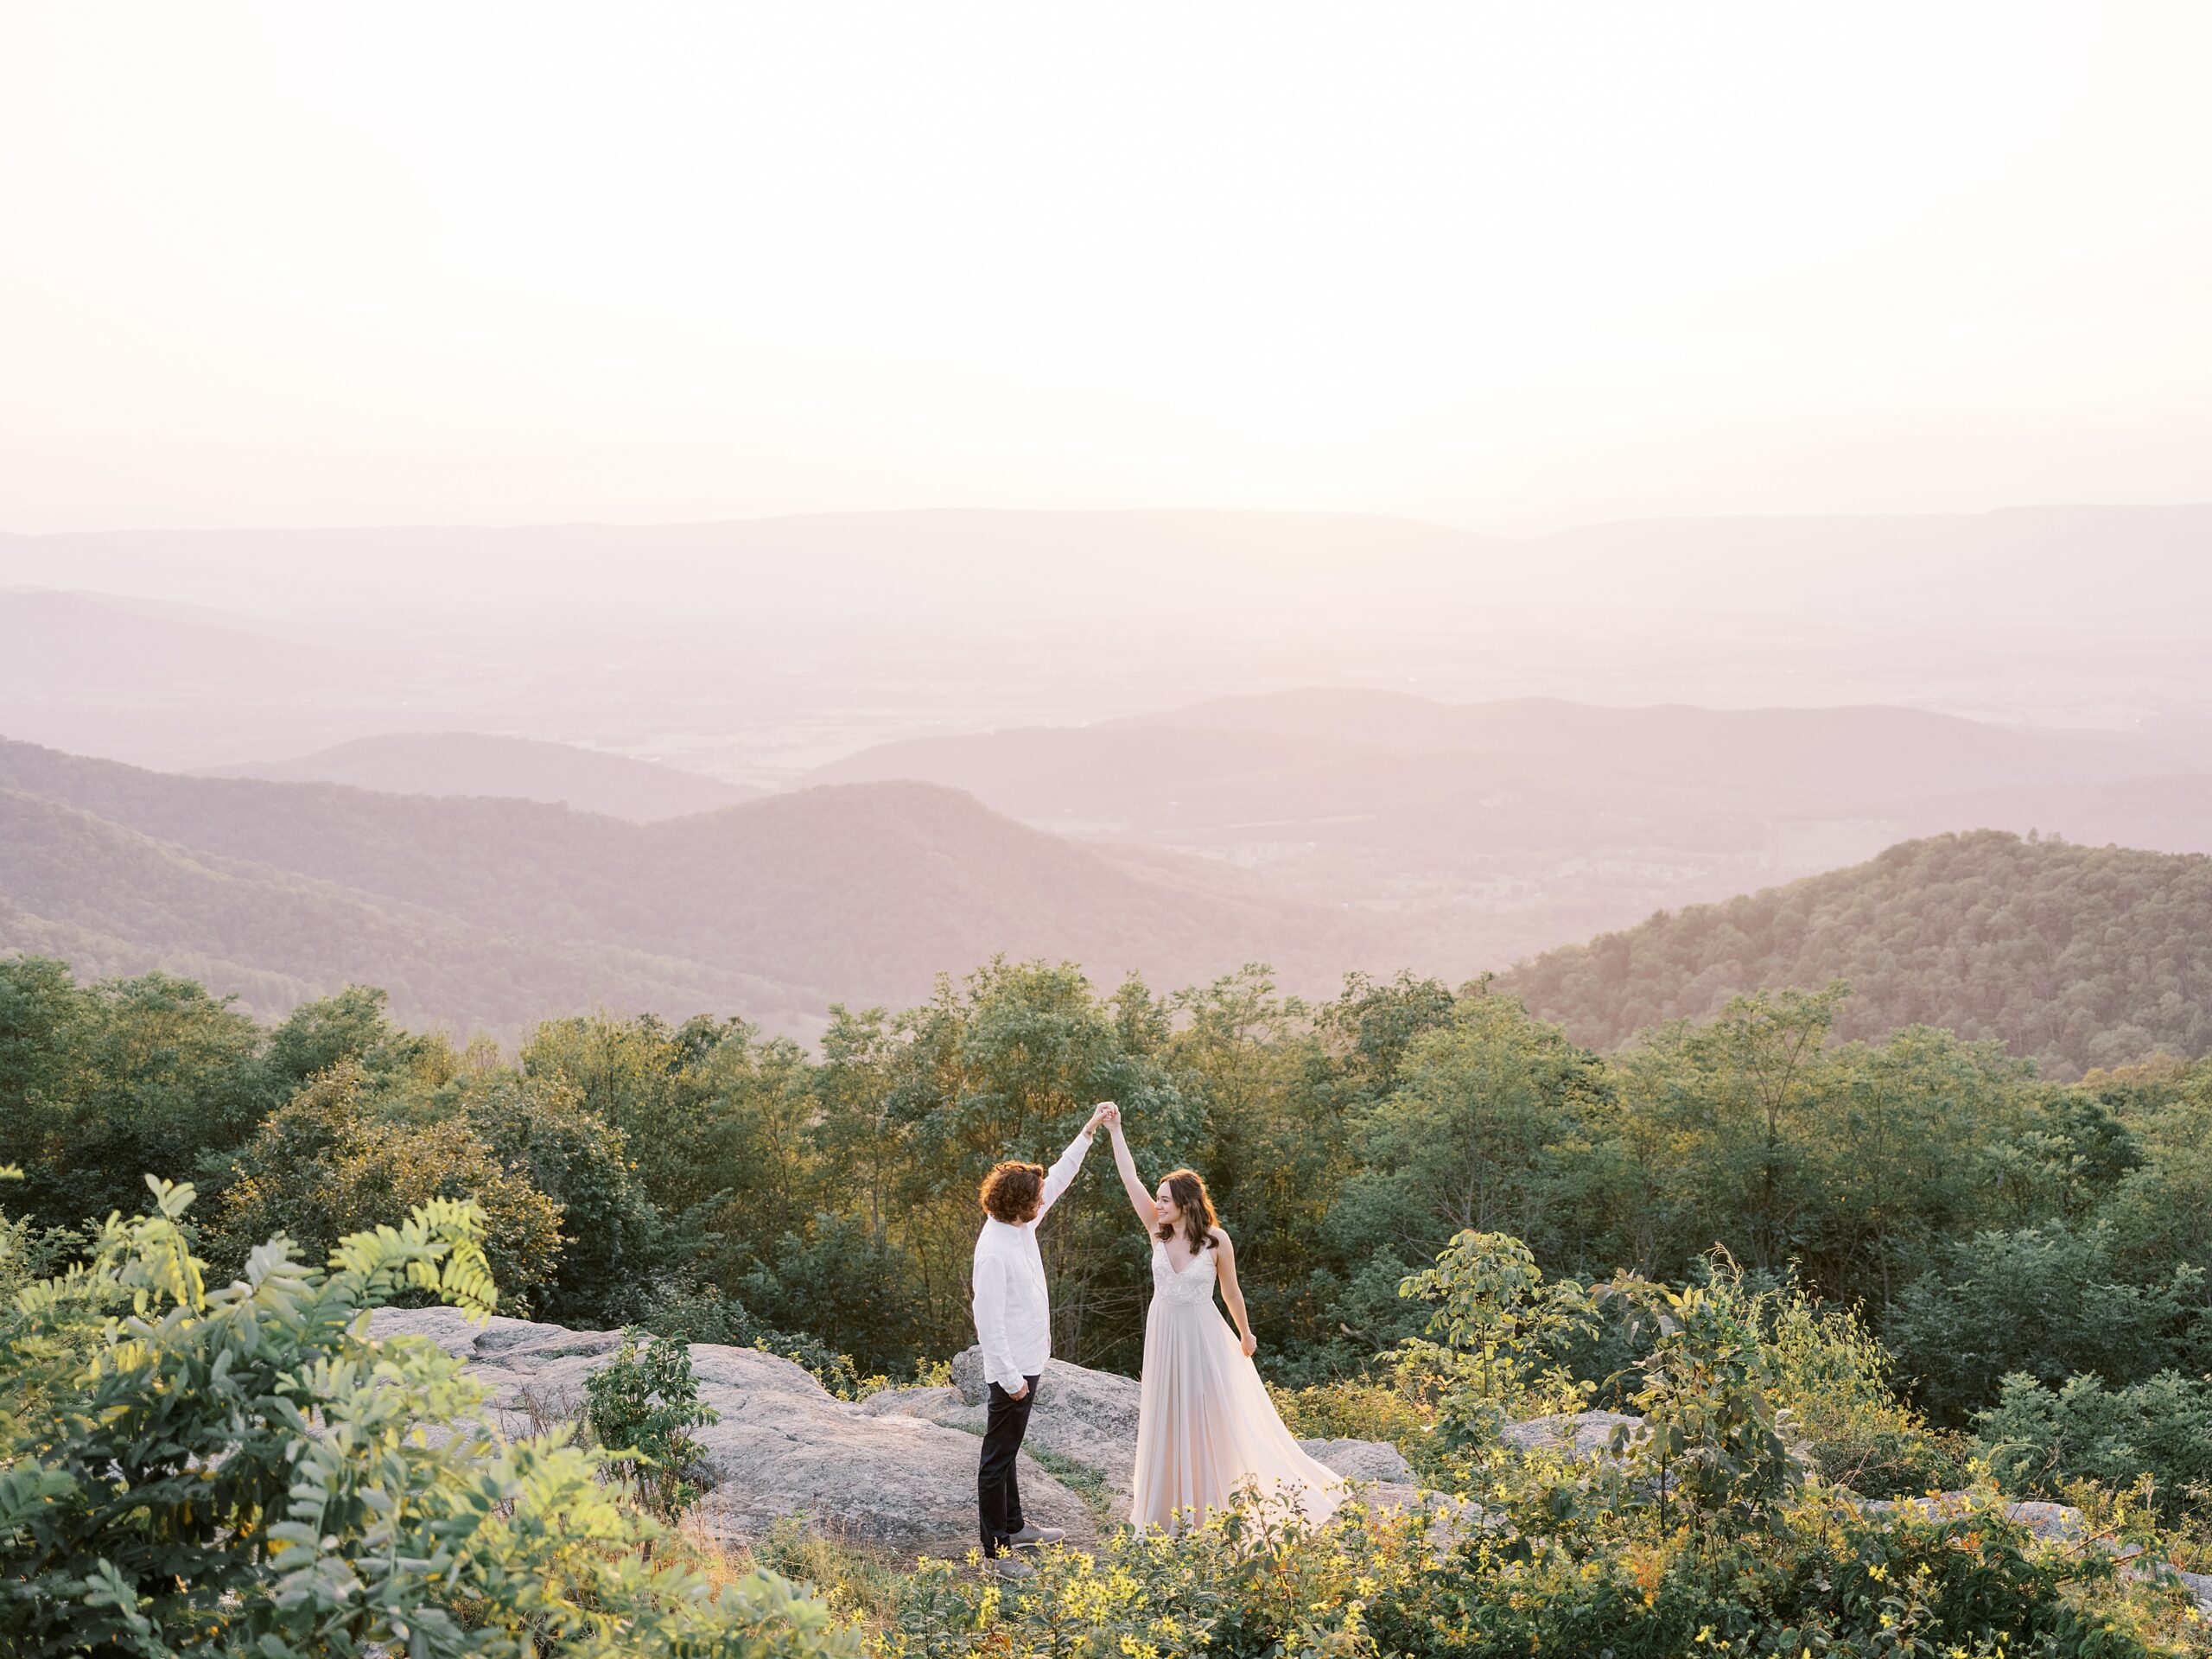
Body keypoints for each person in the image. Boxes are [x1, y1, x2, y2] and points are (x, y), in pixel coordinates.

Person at [1096, 1102, 1345, 1534]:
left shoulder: (1215, 1241)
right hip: (1164, 1334)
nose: (1158, 1205)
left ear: (1188, 1204)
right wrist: (1115, 1131)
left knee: (1208, 1416)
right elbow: (1129, 1180)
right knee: (1166, 1416)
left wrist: (1246, 1333)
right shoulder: (1156, 1230)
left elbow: (1231, 1290)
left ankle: (1212, 1504)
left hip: (1203, 1336)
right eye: (1158, 1199)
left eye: (1166, 1200)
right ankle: (1167, 1506)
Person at [970, 1101, 1114, 1579]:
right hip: (1012, 1368)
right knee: (996, 1458)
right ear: (1019, 1204)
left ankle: (1015, 1527)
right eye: (1035, 1197)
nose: (1043, 1200)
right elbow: (986, 1322)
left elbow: (1059, 1176)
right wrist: (1010, 1378)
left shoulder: (1021, 1223)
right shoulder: (993, 1251)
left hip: (1031, 1358)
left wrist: (1090, 1130)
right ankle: (997, 1554)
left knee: (1008, 1451)